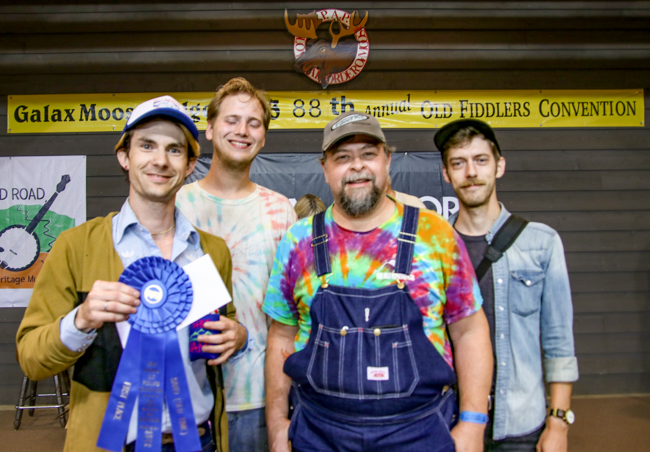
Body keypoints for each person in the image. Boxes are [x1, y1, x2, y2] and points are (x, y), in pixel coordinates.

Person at [16, 95, 247, 452]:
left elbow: (225, 330)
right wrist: (81, 320)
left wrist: (238, 336)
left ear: (189, 165)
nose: (160, 160)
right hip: (111, 443)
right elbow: (31, 357)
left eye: (174, 150)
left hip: (199, 441)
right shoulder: (76, 247)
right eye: (147, 145)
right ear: (125, 157)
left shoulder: (212, 252)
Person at [263, 110, 493, 452]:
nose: (357, 166)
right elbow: (281, 333)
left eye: (368, 154)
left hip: (421, 432)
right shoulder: (299, 241)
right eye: (342, 157)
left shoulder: (436, 235)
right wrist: (278, 425)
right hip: (319, 434)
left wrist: (473, 424)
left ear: (387, 160)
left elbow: (470, 330)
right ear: (324, 168)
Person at [435, 119, 579, 451]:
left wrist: (558, 422)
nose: (470, 172)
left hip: (519, 424)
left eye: (481, 160)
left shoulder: (542, 243)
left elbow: (559, 342)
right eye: (458, 163)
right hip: (449, 421)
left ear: (499, 166)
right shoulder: (434, 246)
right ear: (446, 173)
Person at [176, 78, 296, 452]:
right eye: (231, 120)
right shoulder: (176, 205)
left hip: (258, 397)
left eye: (253, 123)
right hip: (184, 394)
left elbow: (292, 313)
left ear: (263, 138)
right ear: (210, 129)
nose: (241, 130)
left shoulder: (282, 211)